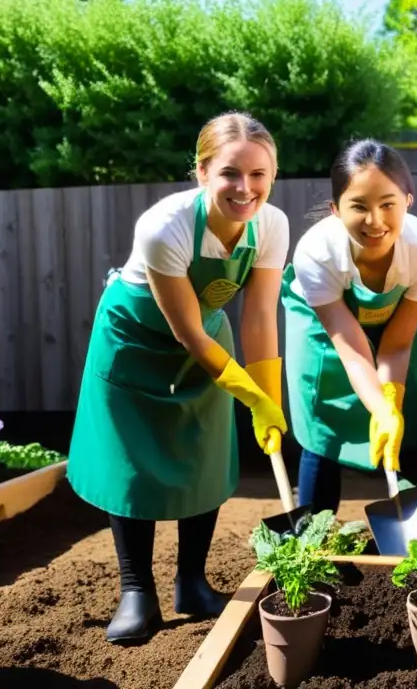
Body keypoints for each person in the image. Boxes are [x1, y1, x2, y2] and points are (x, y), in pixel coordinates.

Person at [66, 112, 290, 644]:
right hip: (137, 341)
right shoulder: (163, 227)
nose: (246, 188)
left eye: (259, 175)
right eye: (231, 174)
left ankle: (192, 581)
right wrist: (245, 392)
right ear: (202, 172)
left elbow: (259, 315)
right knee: (133, 466)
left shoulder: (272, 226)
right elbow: (186, 331)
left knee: (203, 454)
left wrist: (268, 396)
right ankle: (136, 591)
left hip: (209, 341)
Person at [282, 140, 417, 513]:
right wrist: (377, 406)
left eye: (388, 204)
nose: (375, 221)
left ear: (408, 200)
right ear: (335, 210)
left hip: (396, 318)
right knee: (325, 423)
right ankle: (313, 542)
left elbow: (398, 344)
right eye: (358, 206)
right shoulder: (316, 253)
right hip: (323, 325)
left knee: (409, 412)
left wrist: (388, 402)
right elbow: (352, 348)